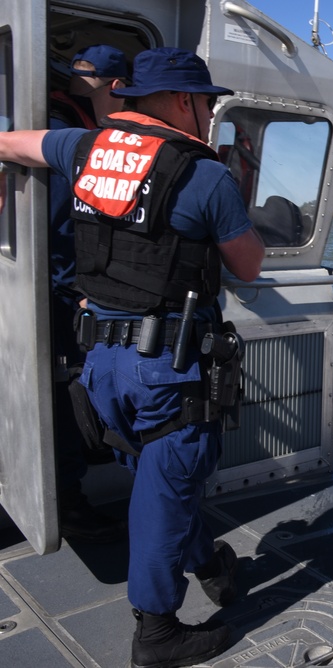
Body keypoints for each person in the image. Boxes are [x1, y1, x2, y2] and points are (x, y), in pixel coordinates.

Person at [0, 47, 264, 667]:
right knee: (166, 489)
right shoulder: (205, 176)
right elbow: (248, 267)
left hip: (101, 366)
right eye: (208, 103)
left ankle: (208, 563)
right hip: (167, 369)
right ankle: (157, 630)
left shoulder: (84, 149)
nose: (210, 114)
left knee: (158, 475)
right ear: (182, 102)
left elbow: (8, 144)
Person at [49, 44, 130, 544]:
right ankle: (68, 500)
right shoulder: (72, 138)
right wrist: (80, 293)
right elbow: (61, 234)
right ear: (116, 87)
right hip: (62, 293)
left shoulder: (58, 128)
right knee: (68, 385)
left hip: (63, 284)